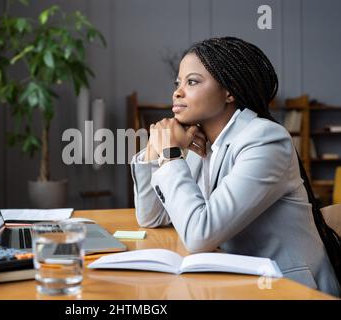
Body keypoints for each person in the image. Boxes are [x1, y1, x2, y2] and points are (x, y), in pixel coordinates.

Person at [130, 36, 340, 297]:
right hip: (237, 282)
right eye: (178, 83)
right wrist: (154, 154)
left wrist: (170, 156)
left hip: (288, 289)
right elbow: (152, 218)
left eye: (192, 82)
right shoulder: (200, 142)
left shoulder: (265, 140)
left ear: (229, 91)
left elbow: (199, 235)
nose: (177, 92)